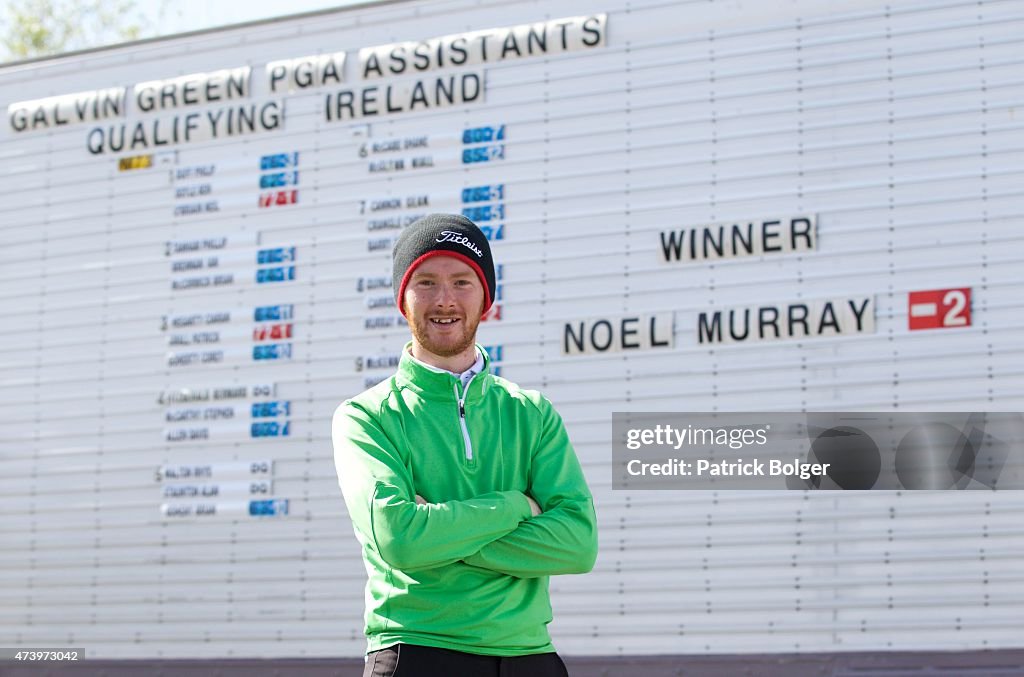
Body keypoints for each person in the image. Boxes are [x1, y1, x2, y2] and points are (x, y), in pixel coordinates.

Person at [332, 213, 598, 677]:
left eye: (462, 281)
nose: (445, 300)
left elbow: (578, 544)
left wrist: (439, 532)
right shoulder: (367, 417)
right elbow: (401, 538)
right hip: (417, 651)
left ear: (486, 298)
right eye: (426, 283)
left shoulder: (531, 414)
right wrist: (515, 505)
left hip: (529, 657)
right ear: (403, 299)